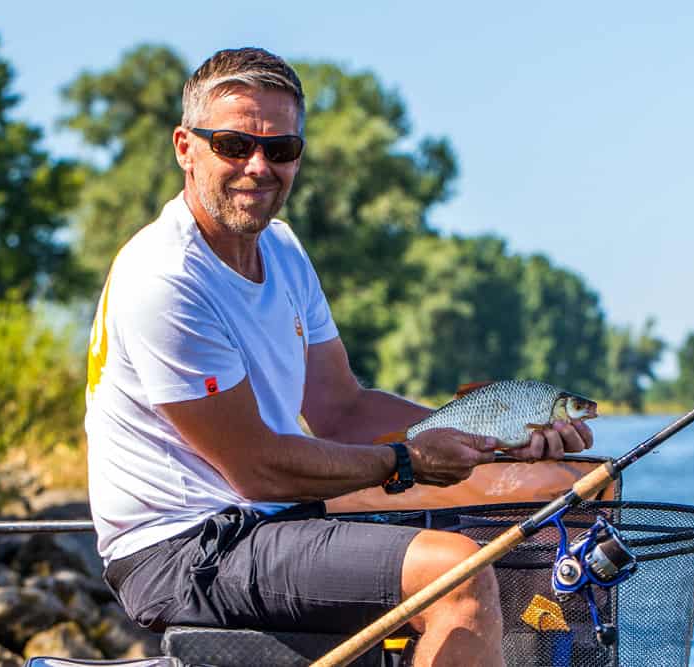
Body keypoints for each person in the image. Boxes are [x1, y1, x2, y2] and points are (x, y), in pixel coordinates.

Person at [84, 46, 593, 666]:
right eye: (233, 144)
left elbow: (341, 408)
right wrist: (404, 462)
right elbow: (258, 469)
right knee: (460, 572)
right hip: (186, 548)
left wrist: (497, 439)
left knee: (571, 485)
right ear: (185, 147)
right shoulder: (166, 277)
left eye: (281, 150)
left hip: (274, 514)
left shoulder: (284, 249)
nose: (257, 166)